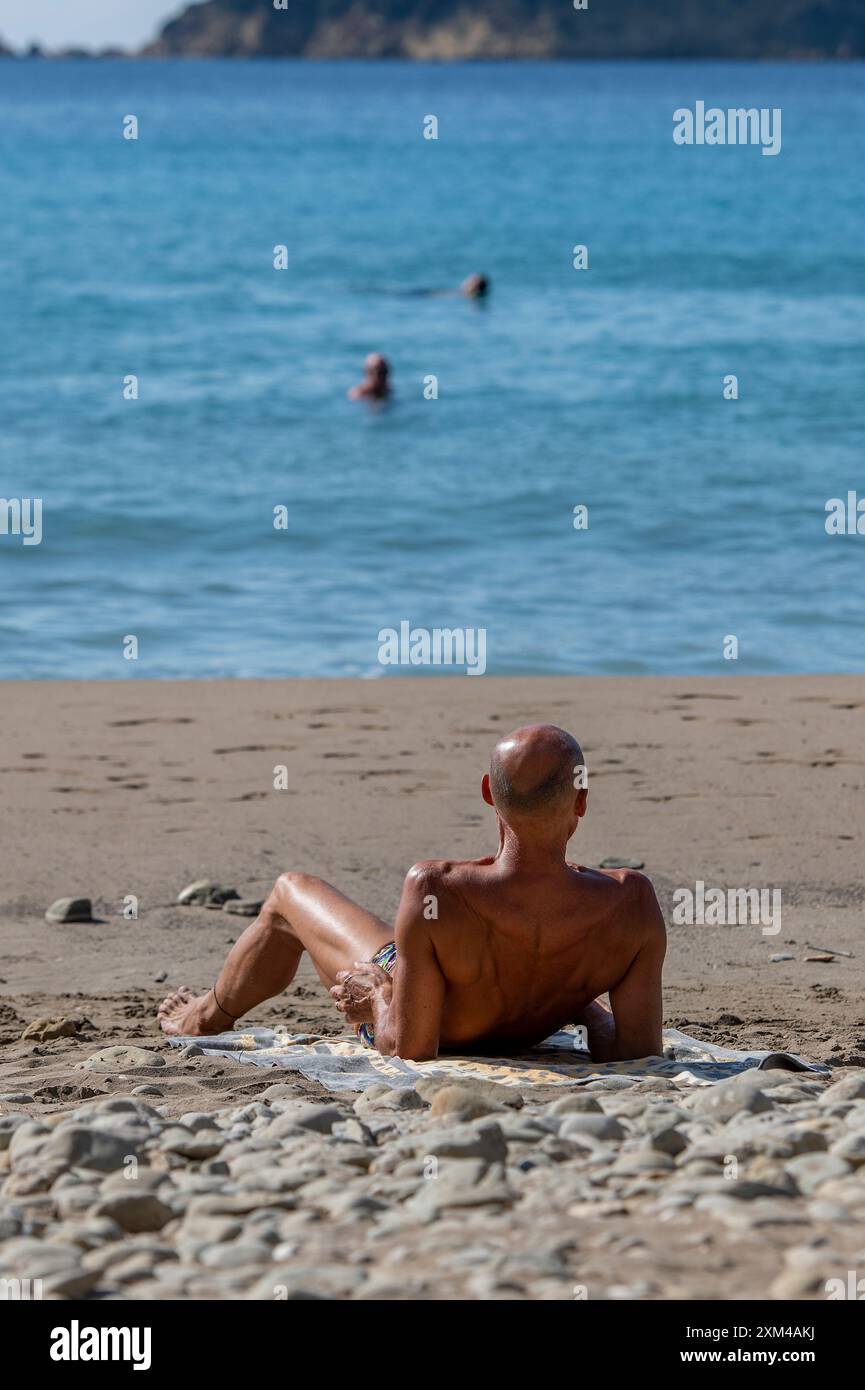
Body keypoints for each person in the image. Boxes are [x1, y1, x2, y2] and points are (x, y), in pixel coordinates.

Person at [157, 724, 666, 1062]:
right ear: (581, 802)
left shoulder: (438, 887)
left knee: (291, 892)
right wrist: (584, 1006)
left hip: (435, 1014)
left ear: (488, 792)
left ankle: (202, 1018)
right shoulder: (631, 902)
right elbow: (637, 1053)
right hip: (528, 1016)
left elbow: (409, 1051)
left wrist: (378, 998)